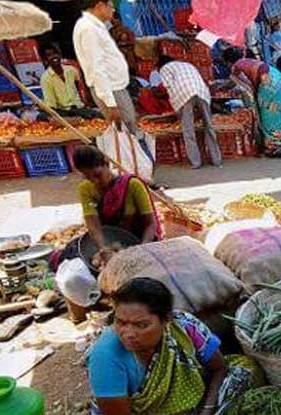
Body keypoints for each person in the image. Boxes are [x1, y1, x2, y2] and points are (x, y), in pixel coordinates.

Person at [87, 278, 262, 415]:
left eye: (141, 325)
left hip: (198, 406)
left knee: (247, 369)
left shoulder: (183, 327)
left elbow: (219, 369)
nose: (128, 333)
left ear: (166, 320)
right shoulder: (106, 355)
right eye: (120, 322)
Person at [73, 145, 161, 249]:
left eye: (97, 175)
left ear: (106, 163)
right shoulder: (85, 188)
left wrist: (142, 248)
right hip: (110, 241)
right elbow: (93, 224)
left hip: (140, 239)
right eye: (87, 177)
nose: (95, 181)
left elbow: (150, 224)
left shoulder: (133, 185)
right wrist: (103, 249)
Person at [73, 0, 139, 135]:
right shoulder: (88, 29)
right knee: (126, 134)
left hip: (114, 87)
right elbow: (97, 67)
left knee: (129, 130)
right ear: (99, 6)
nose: (113, 10)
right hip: (110, 89)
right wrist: (111, 104)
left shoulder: (95, 26)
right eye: (110, 6)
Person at [157, 56, 221, 169]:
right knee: (209, 127)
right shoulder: (188, 65)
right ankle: (216, 160)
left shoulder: (164, 68)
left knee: (188, 130)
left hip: (183, 94)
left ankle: (196, 163)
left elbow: (168, 86)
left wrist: (176, 108)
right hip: (202, 92)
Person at [230, 58, 281, 157]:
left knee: (268, 114)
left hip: (266, 81)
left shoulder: (236, 67)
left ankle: (275, 146)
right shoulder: (250, 62)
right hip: (277, 78)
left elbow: (247, 86)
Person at [39, 42, 94, 117]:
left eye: (55, 53)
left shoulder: (71, 70)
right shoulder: (45, 78)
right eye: (49, 55)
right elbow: (51, 103)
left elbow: (80, 86)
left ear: (59, 55)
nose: (54, 57)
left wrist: (83, 102)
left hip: (79, 108)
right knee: (42, 116)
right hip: (62, 111)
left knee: (96, 114)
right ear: (45, 60)